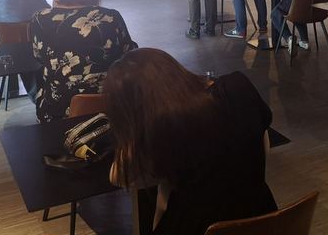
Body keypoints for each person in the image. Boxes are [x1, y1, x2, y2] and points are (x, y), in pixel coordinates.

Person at [104, 48, 277, 234]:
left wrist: (132, 129)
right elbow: (263, 140)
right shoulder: (238, 87)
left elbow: (120, 177)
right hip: (265, 220)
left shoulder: (162, 132)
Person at [29, 0, 137, 122]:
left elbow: (39, 57)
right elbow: (129, 55)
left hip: (56, 112)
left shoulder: (40, 18)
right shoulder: (110, 17)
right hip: (110, 108)